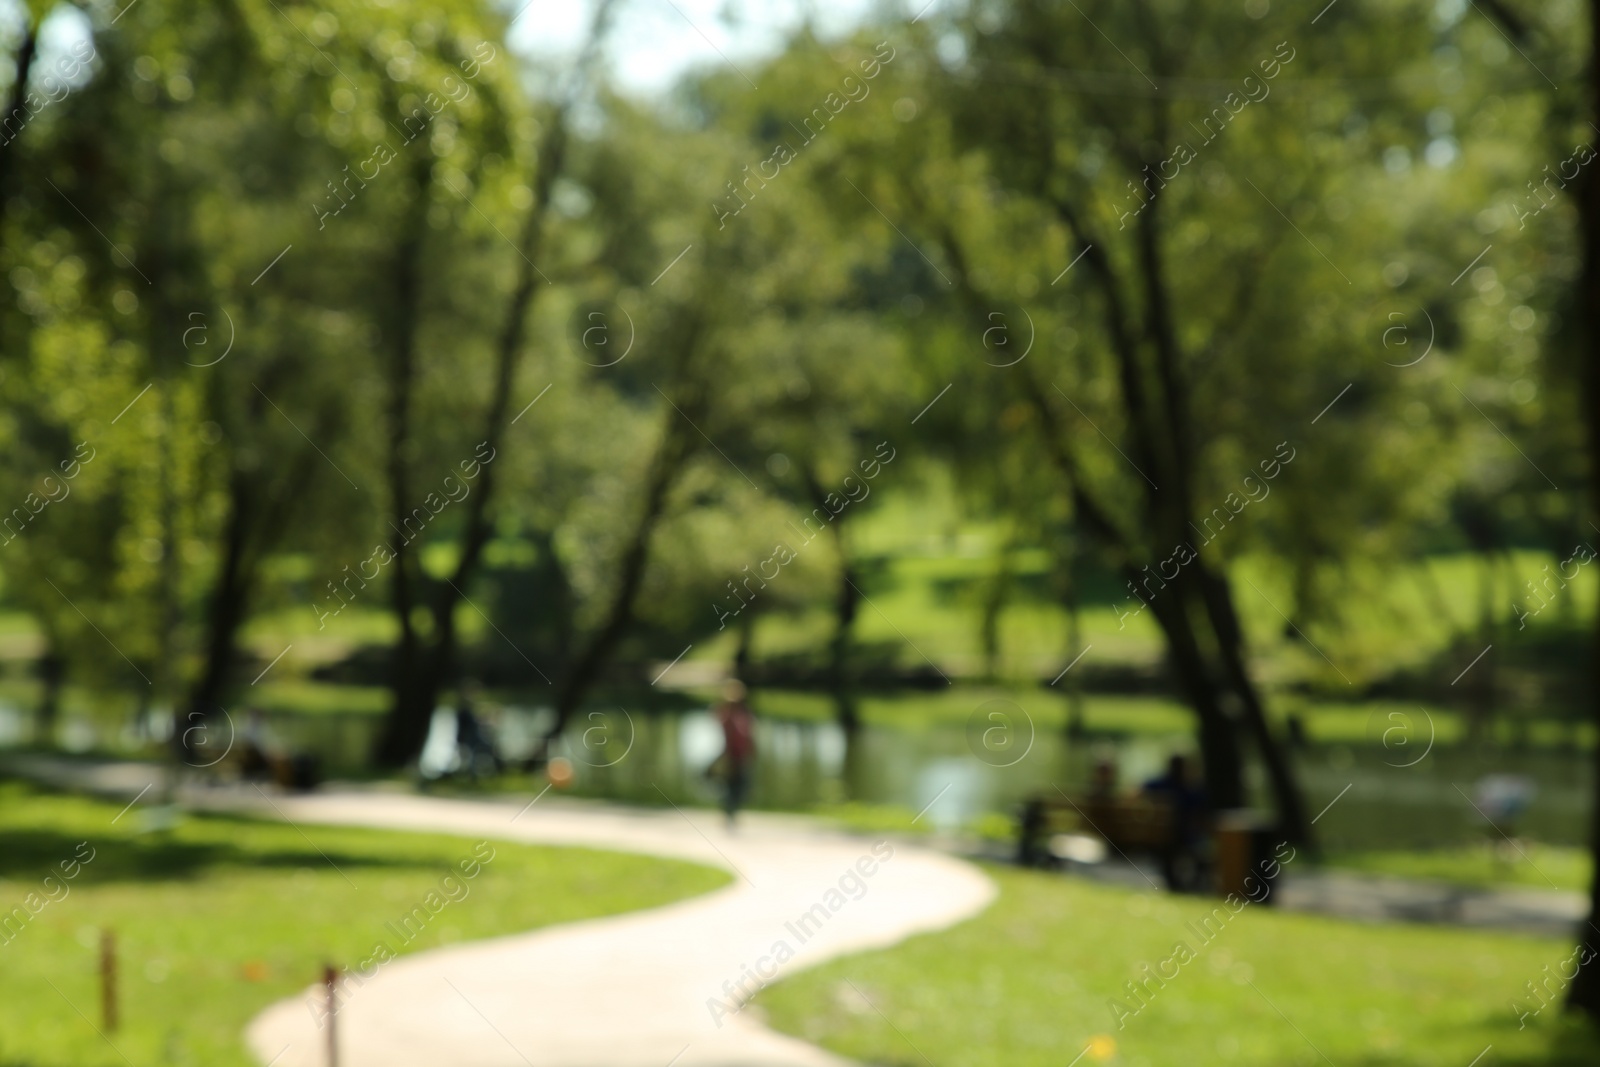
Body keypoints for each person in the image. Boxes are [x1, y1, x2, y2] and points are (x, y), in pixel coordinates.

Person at [1142, 754, 1209, 893]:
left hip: (1158, 838)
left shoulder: (1157, 785)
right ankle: (1189, 885)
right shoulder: (1189, 790)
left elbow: (1137, 792)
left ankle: (1175, 883)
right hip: (1181, 838)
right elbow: (1202, 813)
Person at [714, 679, 756, 828]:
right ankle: (729, 816)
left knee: (740, 786)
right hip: (732, 755)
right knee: (732, 786)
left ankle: (732, 815)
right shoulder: (728, 715)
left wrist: (751, 750)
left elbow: (749, 734)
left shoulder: (743, 713)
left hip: (741, 755)